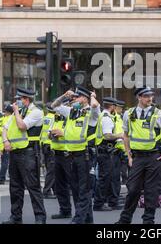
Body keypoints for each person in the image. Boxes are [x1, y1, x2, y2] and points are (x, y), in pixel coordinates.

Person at [115, 86, 161, 224]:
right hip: (137, 158)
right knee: (133, 189)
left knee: (151, 192)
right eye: (146, 96)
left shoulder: (158, 114)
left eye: (151, 95)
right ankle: (125, 220)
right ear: (139, 97)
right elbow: (125, 135)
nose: (150, 98)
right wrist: (129, 156)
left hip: (154, 157)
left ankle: (148, 221)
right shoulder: (128, 114)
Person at [51, 86, 100, 224]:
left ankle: (78, 220)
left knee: (84, 190)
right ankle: (87, 220)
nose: (74, 100)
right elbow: (54, 106)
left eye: (77, 97)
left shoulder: (91, 113)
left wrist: (92, 96)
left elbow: (95, 105)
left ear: (84, 99)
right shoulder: (72, 111)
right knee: (76, 189)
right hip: (72, 155)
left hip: (85, 156)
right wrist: (64, 96)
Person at [2, 88, 46, 224]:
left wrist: (15, 112)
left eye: (19, 99)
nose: (17, 102)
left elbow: (22, 126)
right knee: (15, 187)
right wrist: (5, 141)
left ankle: (40, 217)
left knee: (33, 186)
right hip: (15, 153)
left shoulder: (37, 112)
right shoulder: (19, 112)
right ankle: (15, 217)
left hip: (29, 153)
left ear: (26, 99)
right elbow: (5, 128)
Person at [93, 97, 123, 211]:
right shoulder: (106, 118)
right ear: (112, 107)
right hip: (105, 151)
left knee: (109, 178)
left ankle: (109, 201)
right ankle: (99, 203)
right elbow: (107, 135)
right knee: (104, 178)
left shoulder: (104, 116)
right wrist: (120, 135)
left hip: (106, 151)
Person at [111, 99, 127, 207]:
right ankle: (114, 198)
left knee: (119, 175)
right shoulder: (114, 117)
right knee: (114, 176)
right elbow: (117, 135)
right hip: (115, 150)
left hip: (122, 150)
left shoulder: (120, 117)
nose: (121, 109)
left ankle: (116, 196)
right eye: (119, 107)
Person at [40, 103, 56, 199]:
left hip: (44, 145)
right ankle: (46, 191)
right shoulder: (54, 118)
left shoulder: (45, 118)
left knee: (49, 168)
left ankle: (54, 190)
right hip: (51, 145)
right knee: (52, 170)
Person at [0, 104, 13, 185]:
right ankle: (2, 177)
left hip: (5, 143)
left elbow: (3, 134)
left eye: (6, 111)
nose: (5, 113)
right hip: (8, 143)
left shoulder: (5, 119)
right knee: (7, 162)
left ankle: (1, 178)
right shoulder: (9, 119)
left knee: (5, 162)